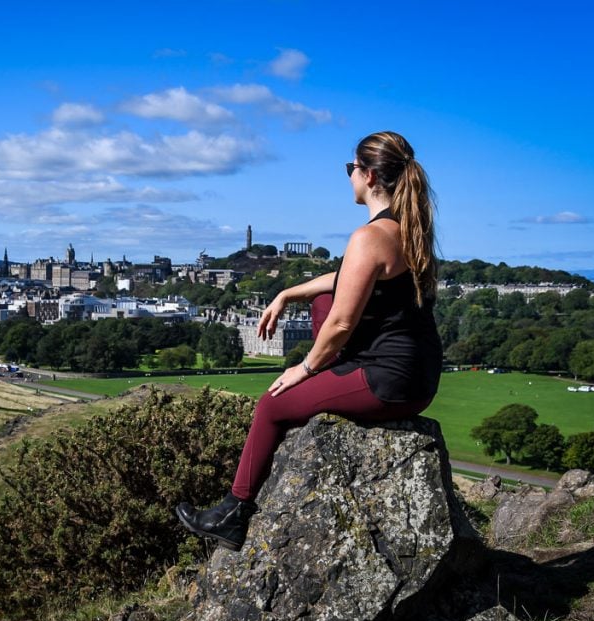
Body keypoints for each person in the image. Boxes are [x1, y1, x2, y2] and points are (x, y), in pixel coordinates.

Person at [176, 131, 442, 551]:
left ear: (369, 175)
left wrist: (305, 369)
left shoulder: (369, 237)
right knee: (320, 298)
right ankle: (338, 372)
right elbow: (343, 282)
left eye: (350, 168)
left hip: (389, 379)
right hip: (419, 373)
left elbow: (339, 323)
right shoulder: (409, 229)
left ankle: (233, 512)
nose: (348, 175)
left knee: (272, 405)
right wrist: (287, 293)